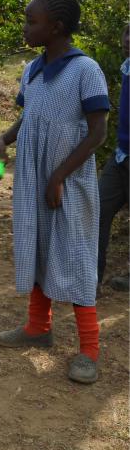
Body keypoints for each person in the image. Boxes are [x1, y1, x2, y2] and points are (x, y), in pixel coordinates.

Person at [0, 0, 109, 385]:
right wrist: (4, 139)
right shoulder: (32, 70)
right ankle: (37, 328)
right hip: (32, 178)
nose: (25, 28)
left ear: (56, 27)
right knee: (37, 244)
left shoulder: (85, 70)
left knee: (75, 254)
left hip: (68, 182)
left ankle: (89, 350)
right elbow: (31, 117)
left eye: (31, 21)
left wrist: (59, 176)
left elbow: (98, 132)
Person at [99, 24, 129, 292]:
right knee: (98, 209)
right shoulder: (127, 67)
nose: (128, 39)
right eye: (127, 32)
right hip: (121, 155)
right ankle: (90, 277)